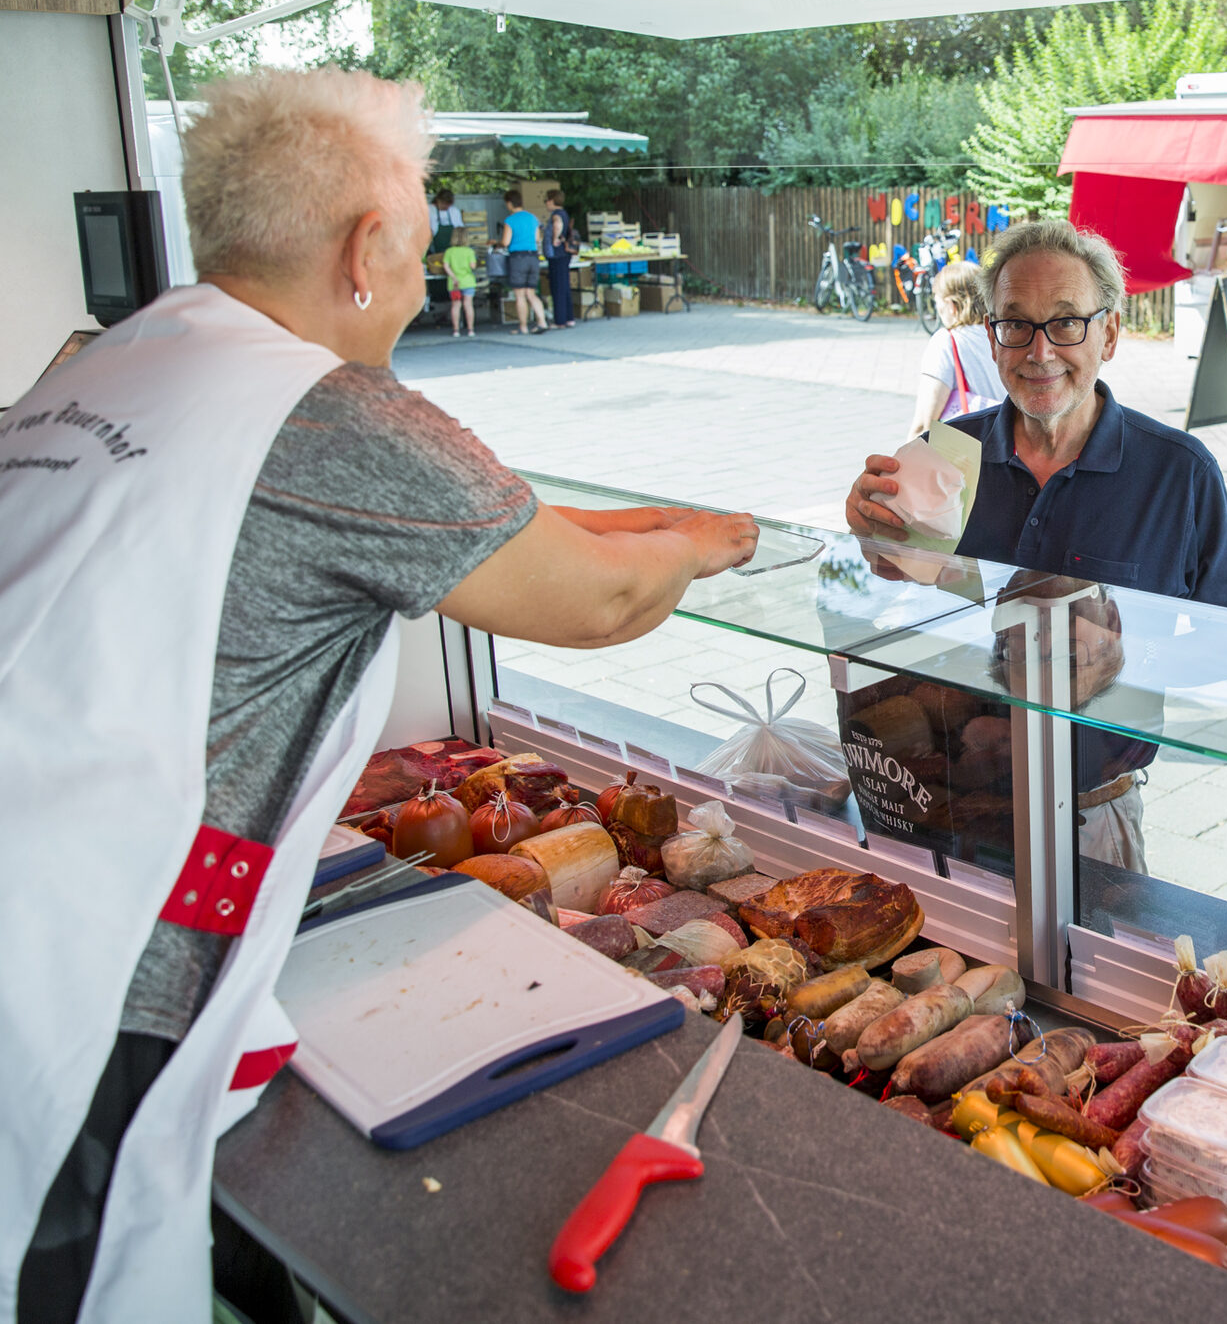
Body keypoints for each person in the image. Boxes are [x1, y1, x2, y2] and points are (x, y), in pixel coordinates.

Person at [0, 68, 760, 1320]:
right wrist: (706, 547)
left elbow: (500, 524)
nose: (424, 276)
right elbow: (598, 603)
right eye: (420, 243)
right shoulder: (331, 409)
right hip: (84, 968)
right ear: (366, 250)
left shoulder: (116, 361)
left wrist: (655, 517)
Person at [846, 219, 1227, 872]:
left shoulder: (1177, 472)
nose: (1039, 351)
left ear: (1112, 333)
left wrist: (1127, 654)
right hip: (945, 799)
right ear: (991, 335)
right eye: (1016, 324)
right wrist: (873, 540)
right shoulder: (945, 455)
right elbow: (899, 585)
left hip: (1092, 816)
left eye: (1066, 322)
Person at [907, 258, 1006, 440]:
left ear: (952, 306)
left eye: (938, 303)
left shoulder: (946, 341)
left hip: (968, 455)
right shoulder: (1004, 335)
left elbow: (925, 423)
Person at [498, 189, 546, 335]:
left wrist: (497, 243)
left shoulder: (510, 220)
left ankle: (523, 327)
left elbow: (505, 242)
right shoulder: (533, 218)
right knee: (531, 293)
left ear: (509, 203)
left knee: (519, 295)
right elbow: (537, 239)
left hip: (518, 258)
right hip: (533, 257)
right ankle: (542, 322)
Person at [542, 188, 578, 329]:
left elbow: (557, 224)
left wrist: (555, 238)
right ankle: (569, 318)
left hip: (556, 254)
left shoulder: (556, 214)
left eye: (546, 200)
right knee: (564, 286)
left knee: (557, 287)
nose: (545, 203)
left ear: (552, 201)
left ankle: (560, 321)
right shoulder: (565, 213)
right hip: (564, 254)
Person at [441, 235, 479, 338]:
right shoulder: (469, 251)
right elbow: (473, 266)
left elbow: (446, 266)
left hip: (454, 284)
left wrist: (453, 277)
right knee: (468, 305)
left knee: (456, 306)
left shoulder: (449, 251)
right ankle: (471, 330)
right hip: (468, 281)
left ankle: (456, 331)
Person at [427, 188, 463, 252]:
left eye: (448, 204)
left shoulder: (454, 211)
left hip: (453, 249)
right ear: (438, 200)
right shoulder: (430, 210)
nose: (446, 206)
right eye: (444, 203)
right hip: (434, 248)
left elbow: (460, 229)